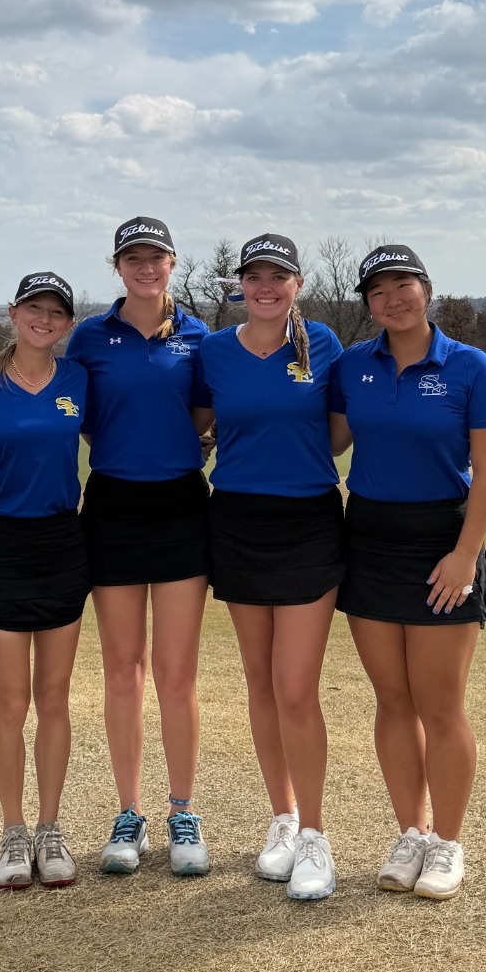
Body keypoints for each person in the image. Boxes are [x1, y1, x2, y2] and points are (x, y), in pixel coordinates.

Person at [328, 244, 486, 901]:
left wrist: (465, 555)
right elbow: (328, 441)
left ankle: (447, 845)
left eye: (403, 284)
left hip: (443, 543)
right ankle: (411, 831)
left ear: (426, 290)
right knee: (393, 700)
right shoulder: (354, 366)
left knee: (440, 704)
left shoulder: (471, 369)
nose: (393, 298)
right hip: (370, 539)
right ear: (368, 304)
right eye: (378, 291)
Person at [191, 234, 346, 900]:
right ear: (239, 285)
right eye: (253, 276)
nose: (265, 286)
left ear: (297, 284)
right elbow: (201, 425)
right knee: (259, 682)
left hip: (309, 522)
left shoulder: (324, 345)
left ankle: (315, 835)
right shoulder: (215, 352)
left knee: (294, 688)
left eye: (277, 276)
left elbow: (337, 431)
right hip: (236, 521)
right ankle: (282, 819)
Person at [64, 216, 213, 876]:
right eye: (133, 258)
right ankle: (129, 813)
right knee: (124, 670)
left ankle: (183, 812)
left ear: (173, 263)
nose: (145, 268)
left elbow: (207, 414)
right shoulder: (92, 336)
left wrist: (184, 443)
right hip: (115, 507)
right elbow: (85, 416)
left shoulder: (199, 335)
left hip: (183, 505)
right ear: (117, 265)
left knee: (176, 675)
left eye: (156, 258)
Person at [0, 272, 90, 891]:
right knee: (11, 701)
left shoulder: (80, 378)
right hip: (5, 542)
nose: (43, 320)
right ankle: (12, 830)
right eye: (33, 309)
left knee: (54, 698)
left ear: (67, 323)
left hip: (64, 542)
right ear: (12, 313)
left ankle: (50, 828)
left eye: (55, 313)